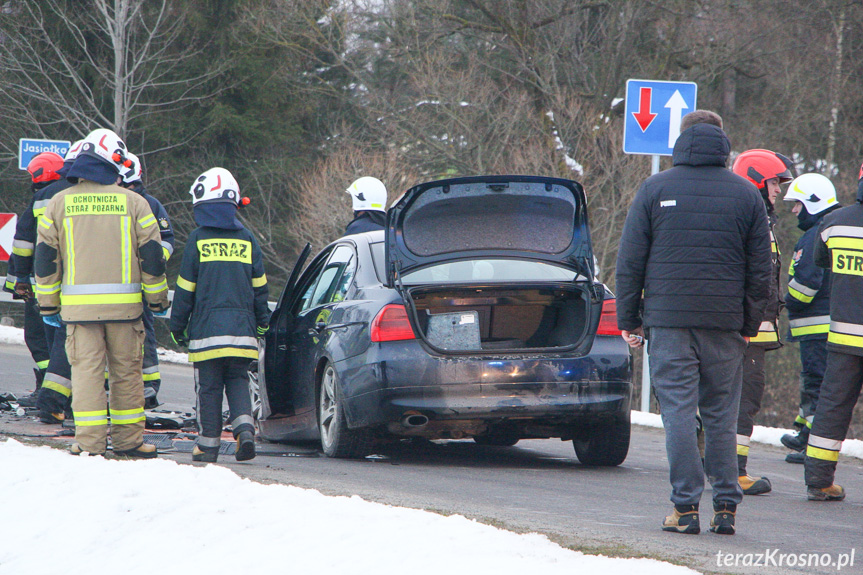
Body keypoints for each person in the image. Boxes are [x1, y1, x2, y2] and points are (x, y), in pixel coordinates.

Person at [616, 109, 772, 535]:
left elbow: (630, 262)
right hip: (724, 323)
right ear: (723, 141)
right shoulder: (746, 195)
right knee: (722, 414)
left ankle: (685, 509)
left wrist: (629, 319)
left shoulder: (654, 188)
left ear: (680, 141)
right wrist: (749, 322)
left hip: (668, 323)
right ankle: (726, 507)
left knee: (680, 414)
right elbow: (762, 270)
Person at [34, 128, 169, 458]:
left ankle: (89, 444)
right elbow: (152, 257)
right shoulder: (135, 203)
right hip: (126, 312)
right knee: (127, 376)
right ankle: (129, 442)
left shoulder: (58, 203)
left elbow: (45, 259)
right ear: (113, 164)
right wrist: (157, 300)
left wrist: (48, 305)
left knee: (86, 377)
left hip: (79, 314)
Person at [169, 167, 269, 463]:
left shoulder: (197, 239)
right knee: (237, 380)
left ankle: (208, 447)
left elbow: (186, 289)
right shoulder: (248, 239)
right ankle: (245, 432)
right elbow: (260, 288)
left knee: (209, 388)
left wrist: (178, 326)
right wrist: (262, 323)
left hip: (206, 332)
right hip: (242, 329)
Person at [729, 149, 794, 494]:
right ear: (756, 182)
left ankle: (721, 464)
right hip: (748, 334)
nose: (779, 190)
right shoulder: (751, 223)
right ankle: (734, 471)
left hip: (751, 331)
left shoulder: (752, 220)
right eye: (774, 182)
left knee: (734, 399)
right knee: (744, 400)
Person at [803, 167, 863, 501]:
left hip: (842, 338)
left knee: (832, 408)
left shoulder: (834, 223)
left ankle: (818, 482)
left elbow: (821, 262)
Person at [779, 173, 840, 465]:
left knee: (817, 384)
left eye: (798, 204)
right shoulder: (833, 227)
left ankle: (811, 447)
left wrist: (781, 302)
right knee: (814, 381)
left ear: (813, 203)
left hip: (817, 328)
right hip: (826, 328)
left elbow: (805, 285)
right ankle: (805, 433)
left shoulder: (816, 233)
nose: (794, 211)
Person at [4, 151, 65, 406]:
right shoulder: (74, 194)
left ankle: (48, 391)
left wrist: (19, 279)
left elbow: (22, 244)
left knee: (40, 337)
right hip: (72, 283)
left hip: (40, 282)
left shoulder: (40, 199)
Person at [30, 141, 84, 424]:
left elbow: (34, 246)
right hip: (78, 283)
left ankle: (53, 399)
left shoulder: (50, 197)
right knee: (73, 345)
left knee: (61, 343)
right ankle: (58, 402)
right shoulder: (79, 196)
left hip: (54, 283)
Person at [119, 152, 175, 409]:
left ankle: (149, 387)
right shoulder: (112, 200)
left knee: (145, 335)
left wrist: (152, 261)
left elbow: (167, 241)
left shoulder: (151, 204)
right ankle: (119, 389)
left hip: (140, 284)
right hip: (118, 283)